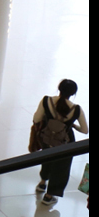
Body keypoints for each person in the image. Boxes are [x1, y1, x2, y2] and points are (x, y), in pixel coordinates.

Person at [33, 78, 88, 206]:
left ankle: (42, 183)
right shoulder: (76, 109)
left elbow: (36, 119)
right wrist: (72, 126)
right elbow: (85, 130)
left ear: (59, 89)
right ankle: (49, 196)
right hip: (65, 143)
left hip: (47, 138)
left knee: (46, 159)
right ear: (73, 93)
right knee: (61, 168)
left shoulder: (47, 101)